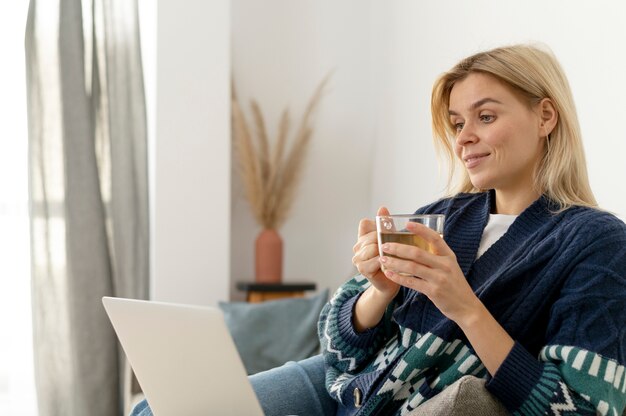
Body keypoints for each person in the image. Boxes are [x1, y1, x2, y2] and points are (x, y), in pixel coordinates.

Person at [130, 44, 626, 416]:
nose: (464, 138)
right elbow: (337, 340)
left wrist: (464, 306)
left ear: (545, 115)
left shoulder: (595, 242)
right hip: (342, 387)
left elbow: (582, 406)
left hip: (412, 404)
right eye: (456, 123)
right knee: (153, 410)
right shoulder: (444, 216)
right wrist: (378, 292)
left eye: (486, 116)